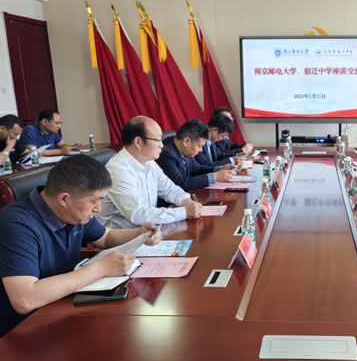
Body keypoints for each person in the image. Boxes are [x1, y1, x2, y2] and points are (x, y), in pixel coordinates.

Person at [0, 155, 161, 336]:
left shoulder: (73, 213)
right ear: (64, 199)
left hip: (61, 305)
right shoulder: (16, 224)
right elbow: (25, 299)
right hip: (21, 329)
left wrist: (138, 234)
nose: (98, 208)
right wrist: (100, 269)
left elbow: (105, 237)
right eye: (95, 200)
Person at [98, 115, 203, 229]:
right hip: (126, 237)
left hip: (148, 231)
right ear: (138, 142)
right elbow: (138, 215)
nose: (162, 145)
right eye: (157, 140)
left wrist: (186, 201)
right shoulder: (118, 170)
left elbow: (170, 189)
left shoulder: (149, 162)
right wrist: (184, 212)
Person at [156, 119, 235, 191]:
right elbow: (179, 183)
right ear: (187, 141)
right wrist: (215, 177)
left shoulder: (184, 149)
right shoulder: (165, 154)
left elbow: (198, 169)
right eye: (199, 146)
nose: (201, 150)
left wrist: (219, 169)